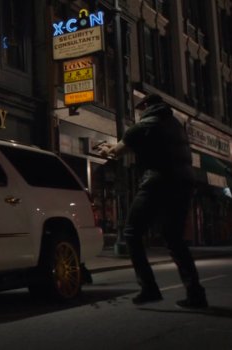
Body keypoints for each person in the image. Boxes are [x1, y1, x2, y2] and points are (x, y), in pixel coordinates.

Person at [95, 93, 208, 309]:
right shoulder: (176, 124)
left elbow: (116, 152)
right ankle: (196, 293)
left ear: (146, 106)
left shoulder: (143, 125)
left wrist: (104, 150)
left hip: (158, 182)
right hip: (184, 182)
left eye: (140, 109)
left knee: (132, 232)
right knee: (175, 239)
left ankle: (149, 288)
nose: (139, 113)